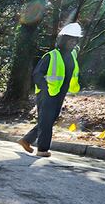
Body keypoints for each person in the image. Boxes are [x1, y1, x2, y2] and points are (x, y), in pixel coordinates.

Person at [17, 23, 83, 157]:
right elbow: (37, 74)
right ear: (63, 40)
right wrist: (45, 88)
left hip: (60, 94)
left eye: (74, 40)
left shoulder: (72, 57)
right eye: (70, 39)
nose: (72, 42)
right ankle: (42, 149)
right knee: (46, 120)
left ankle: (26, 140)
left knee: (48, 120)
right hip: (46, 93)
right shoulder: (51, 56)